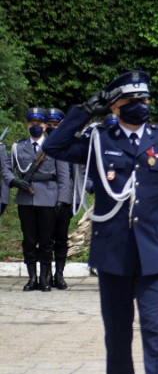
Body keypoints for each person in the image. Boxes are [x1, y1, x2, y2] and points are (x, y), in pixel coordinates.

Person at [42, 70, 158, 374]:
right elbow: (53, 147)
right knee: (118, 335)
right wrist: (82, 112)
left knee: (156, 330)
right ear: (114, 106)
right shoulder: (97, 139)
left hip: (156, 252)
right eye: (133, 102)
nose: (142, 107)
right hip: (113, 254)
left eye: (145, 100)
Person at [4, 107, 70, 292]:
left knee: (47, 240)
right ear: (27, 126)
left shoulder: (54, 146)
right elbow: (8, 168)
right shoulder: (18, 147)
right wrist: (14, 181)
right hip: (26, 199)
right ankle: (32, 277)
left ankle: (45, 278)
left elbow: (64, 176)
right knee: (29, 240)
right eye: (32, 124)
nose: (35, 127)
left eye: (39, 124)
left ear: (44, 125)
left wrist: (62, 200)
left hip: (49, 197)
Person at [45, 107, 72, 290]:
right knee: (46, 238)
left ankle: (59, 274)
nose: (53, 127)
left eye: (57, 125)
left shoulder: (70, 144)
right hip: (46, 198)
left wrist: (66, 199)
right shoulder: (42, 145)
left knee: (61, 238)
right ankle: (45, 274)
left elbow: (74, 175)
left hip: (66, 196)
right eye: (50, 124)